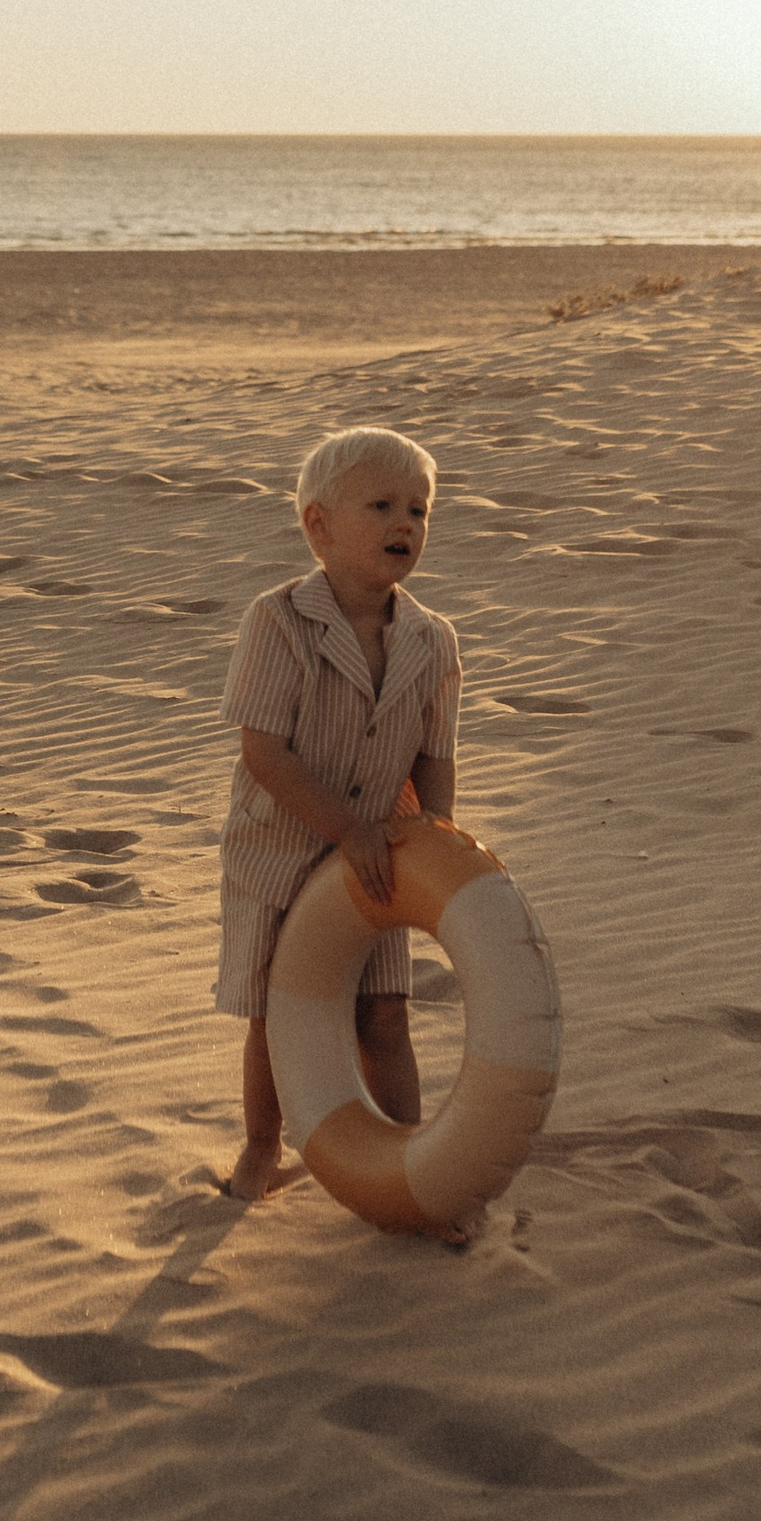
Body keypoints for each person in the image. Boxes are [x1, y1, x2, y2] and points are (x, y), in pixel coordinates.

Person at [215, 425, 458, 1207]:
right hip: (281, 849)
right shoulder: (279, 621)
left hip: (378, 854)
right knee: (279, 1012)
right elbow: (265, 751)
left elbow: (435, 754)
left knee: (385, 1010)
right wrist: (342, 827)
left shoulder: (433, 640)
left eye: (418, 510)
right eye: (381, 505)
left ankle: (408, 1162)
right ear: (317, 525)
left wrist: (434, 834)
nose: (404, 524)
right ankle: (262, 1147)